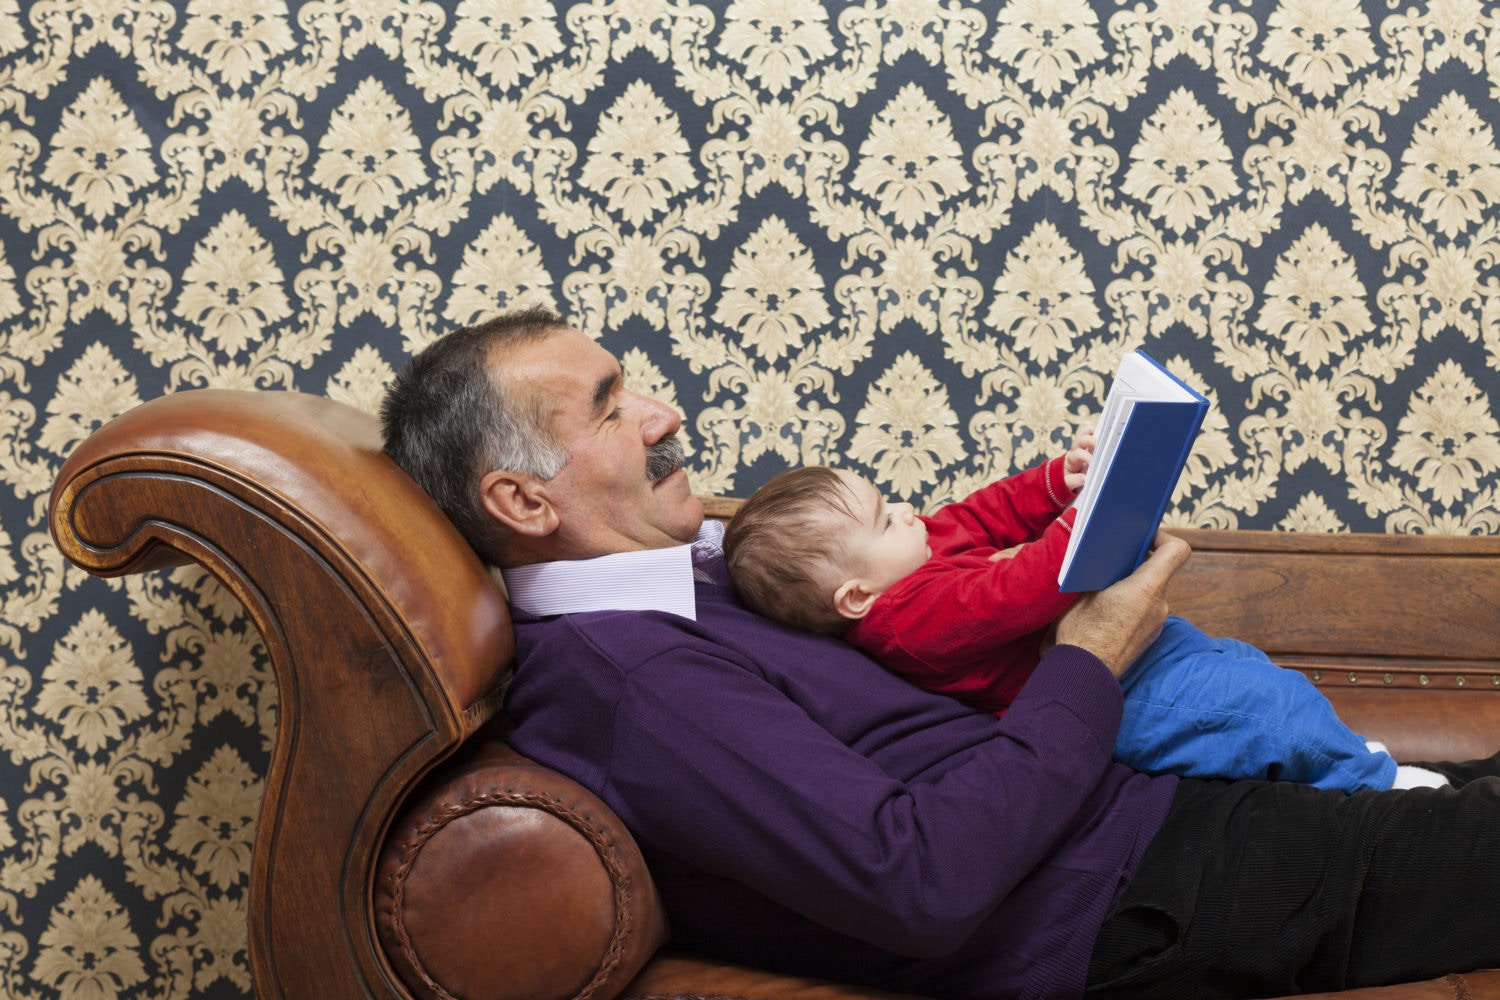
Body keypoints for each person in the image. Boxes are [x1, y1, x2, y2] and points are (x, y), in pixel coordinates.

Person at [380, 306, 1500, 1000]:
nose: (665, 413)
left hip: (1158, 821)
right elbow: (919, 879)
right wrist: (1089, 656)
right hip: (1137, 901)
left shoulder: (702, 577)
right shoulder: (630, 680)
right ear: (523, 499)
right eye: (612, 407)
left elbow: (945, 572)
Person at [720, 459, 1446, 791]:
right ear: (854, 598)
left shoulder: (910, 561)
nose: (909, 512)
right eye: (885, 519)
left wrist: (1048, 484)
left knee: (1253, 672)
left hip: (1146, 655)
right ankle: (1375, 784)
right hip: (1120, 696)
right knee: (1262, 709)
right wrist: (1084, 522)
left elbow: (974, 517)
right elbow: (1022, 587)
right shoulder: (913, 620)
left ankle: (1331, 756)